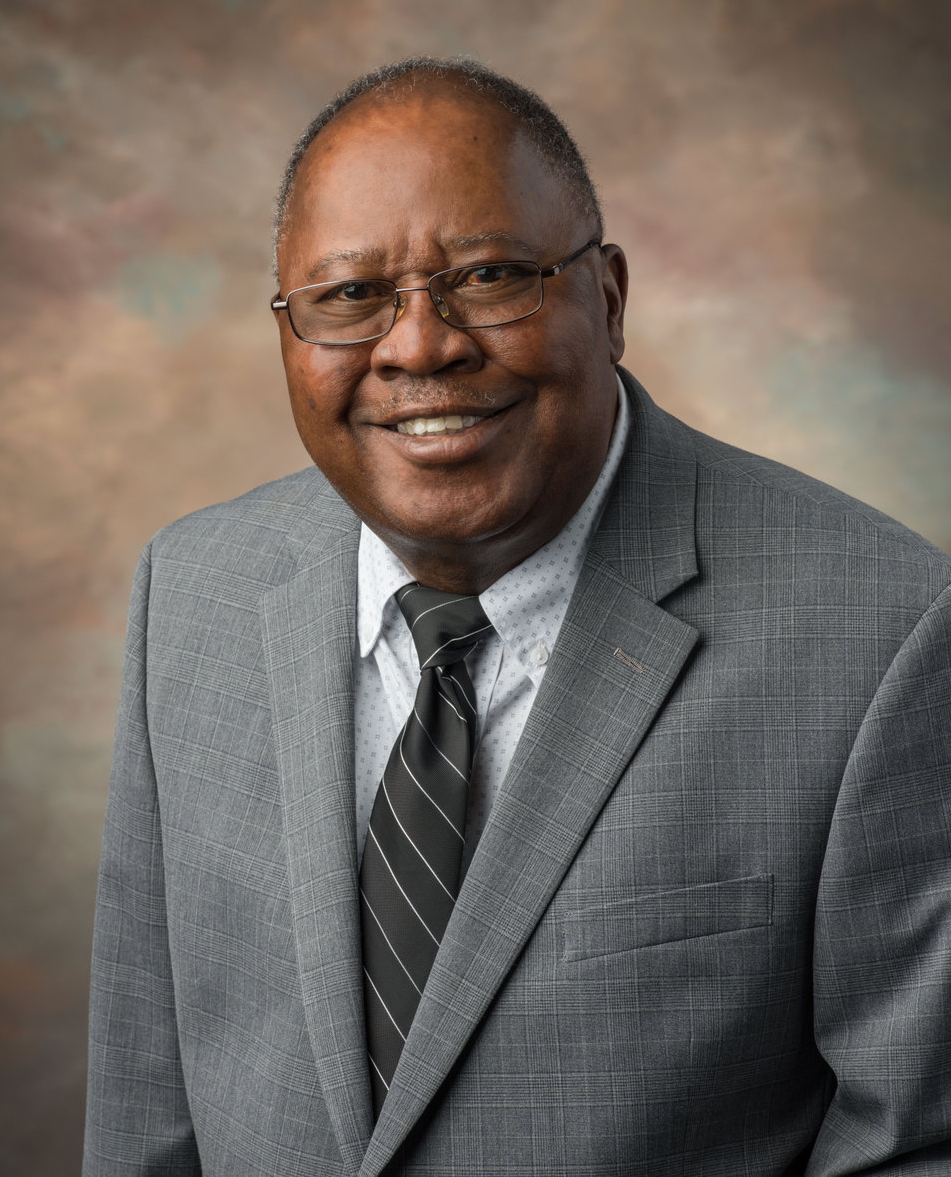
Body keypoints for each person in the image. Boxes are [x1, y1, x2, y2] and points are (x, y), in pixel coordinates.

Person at [83, 58, 951, 1177]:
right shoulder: (190, 592)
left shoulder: (881, 630)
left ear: (609, 299)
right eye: (349, 296)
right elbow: (145, 1107)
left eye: (489, 276)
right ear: (290, 332)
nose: (419, 346)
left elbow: (919, 1145)